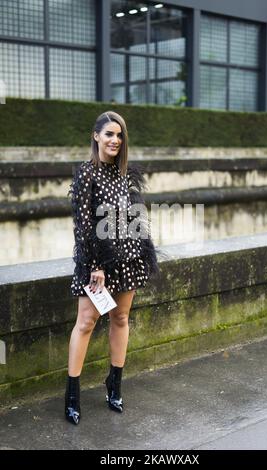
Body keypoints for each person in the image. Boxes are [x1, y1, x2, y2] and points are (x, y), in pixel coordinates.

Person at [65, 111, 160, 425]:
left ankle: (114, 384)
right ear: (96, 136)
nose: (115, 140)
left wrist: (140, 251)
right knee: (86, 323)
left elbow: (133, 220)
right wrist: (95, 265)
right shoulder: (86, 174)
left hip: (129, 260)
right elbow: (83, 226)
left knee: (120, 318)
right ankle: (72, 394)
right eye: (109, 134)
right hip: (96, 265)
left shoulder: (126, 174)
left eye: (119, 135)